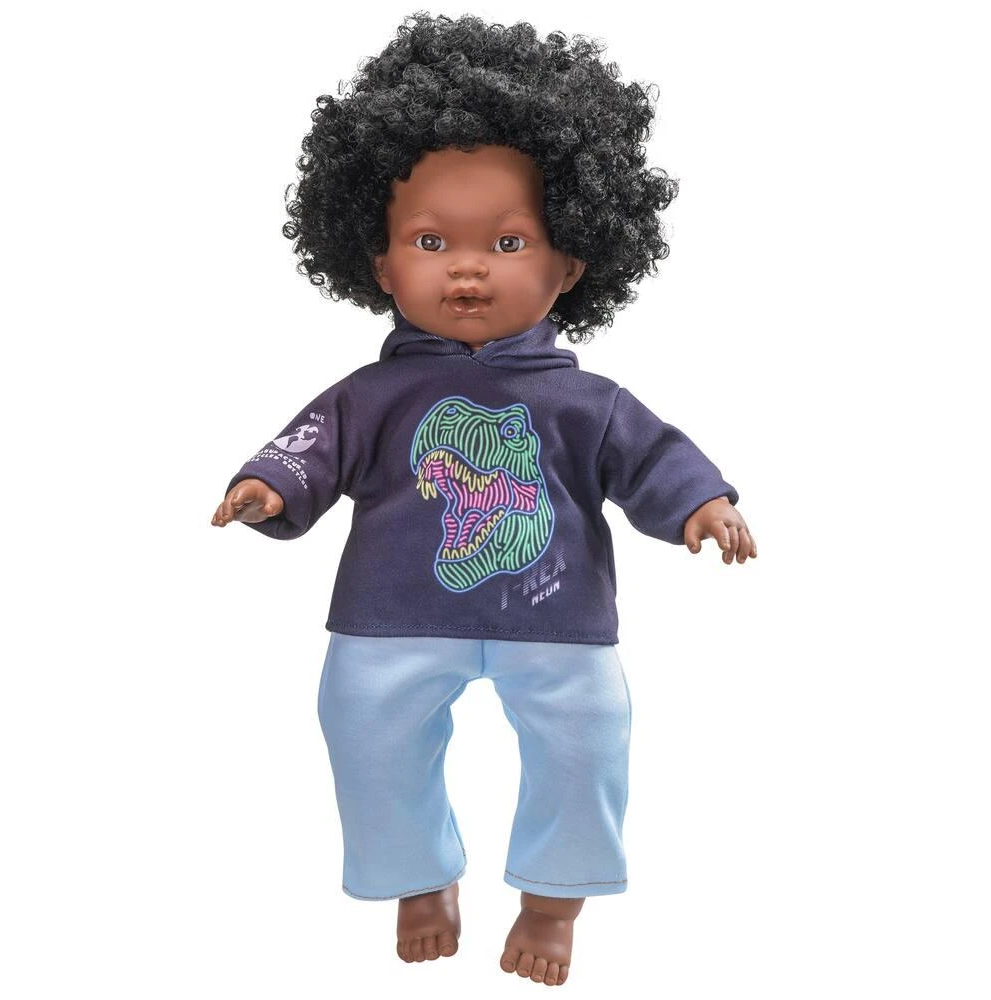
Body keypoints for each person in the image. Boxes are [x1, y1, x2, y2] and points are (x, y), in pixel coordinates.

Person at [211, 12, 756, 987]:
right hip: (389, 617)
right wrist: (267, 485)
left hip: (558, 618)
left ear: (571, 264)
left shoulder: (587, 402)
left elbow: (651, 455)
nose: (467, 266)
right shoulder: (368, 395)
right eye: (431, 240)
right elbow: (312, 449)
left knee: (587, 743)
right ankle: (419, 877)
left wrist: (699, 503)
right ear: (382, 265)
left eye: (508, 240)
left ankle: (554, 899)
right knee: (362, 730)